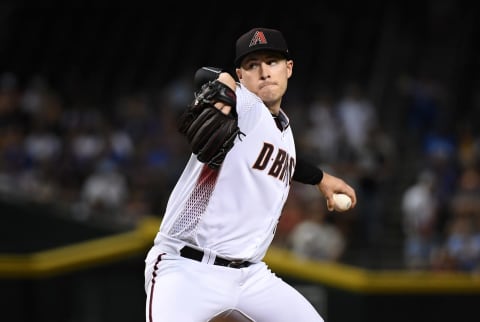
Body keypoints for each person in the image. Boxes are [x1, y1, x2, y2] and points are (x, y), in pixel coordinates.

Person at [144, 27, 357, 322]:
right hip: (186, 268)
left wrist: (322, 179)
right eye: (252, 65)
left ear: (289, 68)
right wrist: (226, 83)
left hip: (251, 276)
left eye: (272, 62)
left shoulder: (283, 129)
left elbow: (287, 160)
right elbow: (206, 76)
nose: (264, 71)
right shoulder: (245, 105)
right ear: (241, 75)